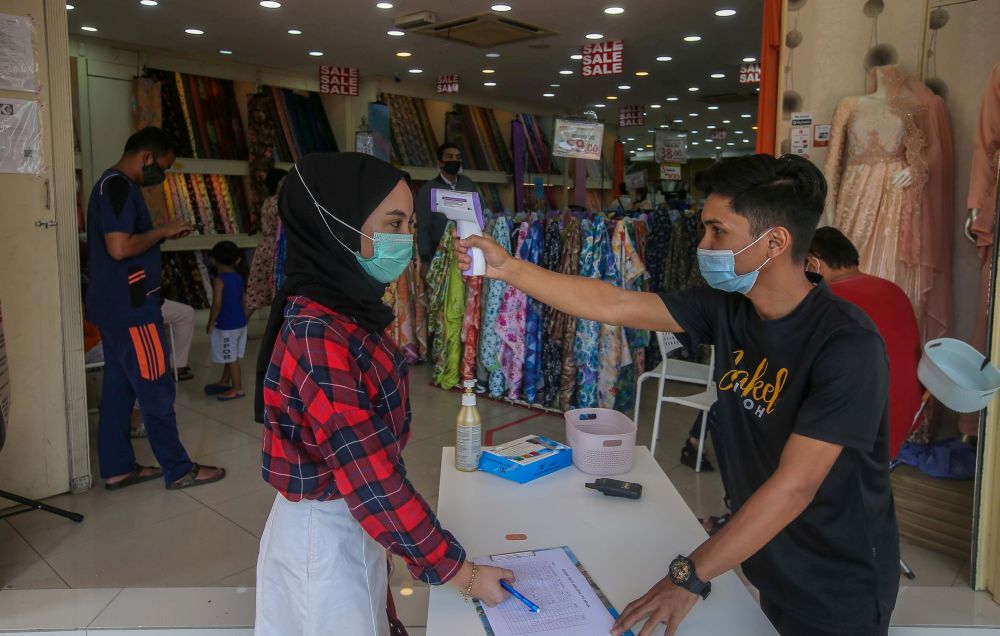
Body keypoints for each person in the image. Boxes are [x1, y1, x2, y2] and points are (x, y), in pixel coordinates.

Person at [459, 154, 899, 636]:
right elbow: (616, 303)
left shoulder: (846, 344)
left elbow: (795, 487)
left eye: (717, 232)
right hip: (766, 554)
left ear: (775, 241)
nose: (703, 245)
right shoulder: (730, 309)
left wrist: (687, 577)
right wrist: (509, 269)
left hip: (838, 577)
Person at [253, 153, 511, 636]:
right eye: (393, 223)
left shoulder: (346, 310)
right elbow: (368, 474)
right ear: (336, 225)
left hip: (352, 523)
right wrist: (460, 572)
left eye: (411, 223)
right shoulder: (317, 334)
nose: (407, 238)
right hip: (324, 540)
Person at [86, 126, 225, 490]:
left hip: (114, 307)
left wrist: (161, 232)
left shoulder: (110, 185)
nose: (161, 175)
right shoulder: (117, 186)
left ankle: (118, 467)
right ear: (146, 157)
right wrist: (162, 231)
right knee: (155, 387)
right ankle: (179, 469)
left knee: (118, 389)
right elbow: (119, 247)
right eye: (162, 166)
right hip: (132, 310)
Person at [808, 226, 924, 458]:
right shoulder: (893, 290)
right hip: (904, 419)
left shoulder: (829, 300)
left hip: (857, 434)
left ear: (812, 263)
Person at [415, 143, 478, 265]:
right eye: (449, 157)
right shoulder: (429, 190)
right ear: (440, 162)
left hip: (467, 251)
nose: (455, 160)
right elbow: (423, 229)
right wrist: (425, 259)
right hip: (439, 255)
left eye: (458, 157)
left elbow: (476, 215)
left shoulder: (468, 184)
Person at [204, 240, 248, 401]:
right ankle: (224, 381)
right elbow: (243, 300)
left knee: (231, 358)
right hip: (240, 324)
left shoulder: (219, 280)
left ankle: (237, 388)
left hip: (227, 326)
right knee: (231, 355)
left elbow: (216, 305)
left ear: (214, 260)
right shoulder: (238, 277)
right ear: (236, 260)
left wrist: (210, 323)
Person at [245, 167, 288, 321]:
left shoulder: (267, 201)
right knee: (276, 286)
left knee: (256, 291)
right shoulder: (280, 202)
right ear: (277, 183)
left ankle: (240, 325)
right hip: (276, 248)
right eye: (284, 180)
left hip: (264, 247)